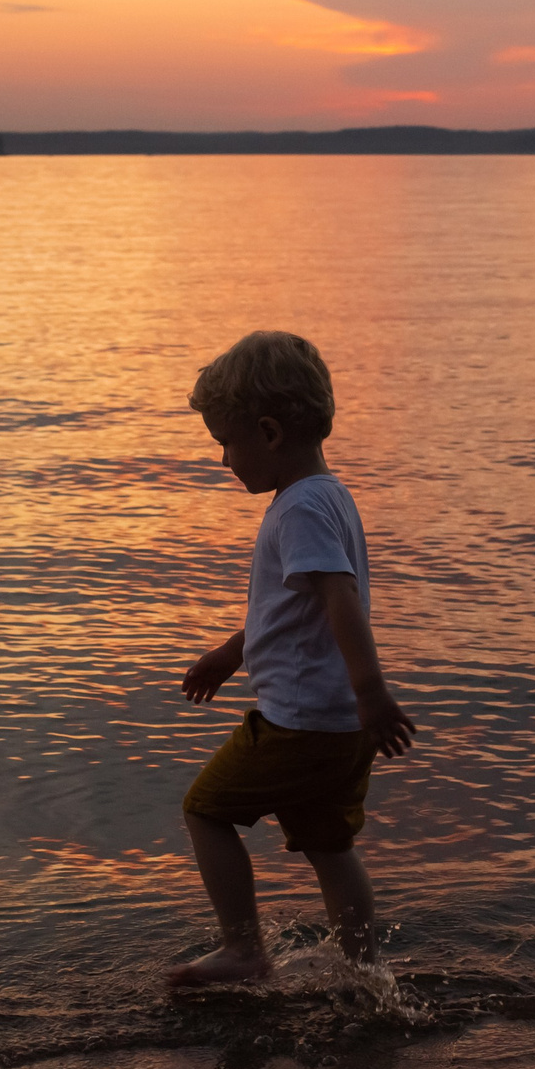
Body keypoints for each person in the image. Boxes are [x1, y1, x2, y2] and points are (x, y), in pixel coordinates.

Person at [169, 330, 415, 988]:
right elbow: (291, 610)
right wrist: (231, 653)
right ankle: (366, 974)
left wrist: (372, 690)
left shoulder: (299, 509)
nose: (224, 459)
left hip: (299, 723)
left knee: (204, 809)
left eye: (226, 442)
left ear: (270, 433)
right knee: (331, 848)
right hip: (339, 727)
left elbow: (339, 598)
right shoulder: (329, 495)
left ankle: (242, 948)